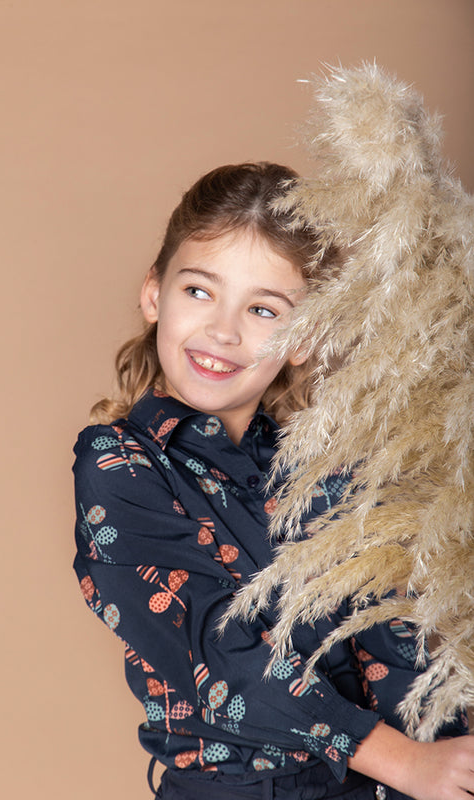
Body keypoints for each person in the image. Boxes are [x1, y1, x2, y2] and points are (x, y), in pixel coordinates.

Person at [73, 162, 473, 800]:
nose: (223, 331)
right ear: (153, 295)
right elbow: (219, 655)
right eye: (199, 291)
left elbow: (386, 641)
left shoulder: (321, 469)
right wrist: (405, 763)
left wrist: (445, 754)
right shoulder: (120, 465)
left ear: (302, 338)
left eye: (263, 309)